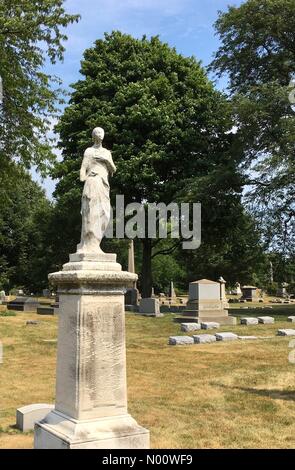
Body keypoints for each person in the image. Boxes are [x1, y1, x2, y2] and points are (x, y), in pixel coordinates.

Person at [77, 127, 116, 254]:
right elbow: (83, 167)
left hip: (103, 184)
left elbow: (113, 169)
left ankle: (96, 244)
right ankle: (90, 245)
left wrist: (105, 160)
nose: (99, 134)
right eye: (97, 133)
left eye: (101, 133)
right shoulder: (89, 151)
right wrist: (83, 178)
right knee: (91, 213)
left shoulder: (106, 153)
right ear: (93, 136)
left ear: (103, 136)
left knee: (105, 213)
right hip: (92, 181)